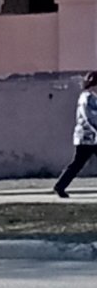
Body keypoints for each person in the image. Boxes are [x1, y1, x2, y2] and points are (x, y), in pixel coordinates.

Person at [53, 71, 97, 199]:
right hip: (86, 138)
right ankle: (60, 186)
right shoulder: (87, 97)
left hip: (92, 138)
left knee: (77, 164)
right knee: (77, 164)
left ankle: (60, 186)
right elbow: (89, 117)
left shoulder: (93, 96)